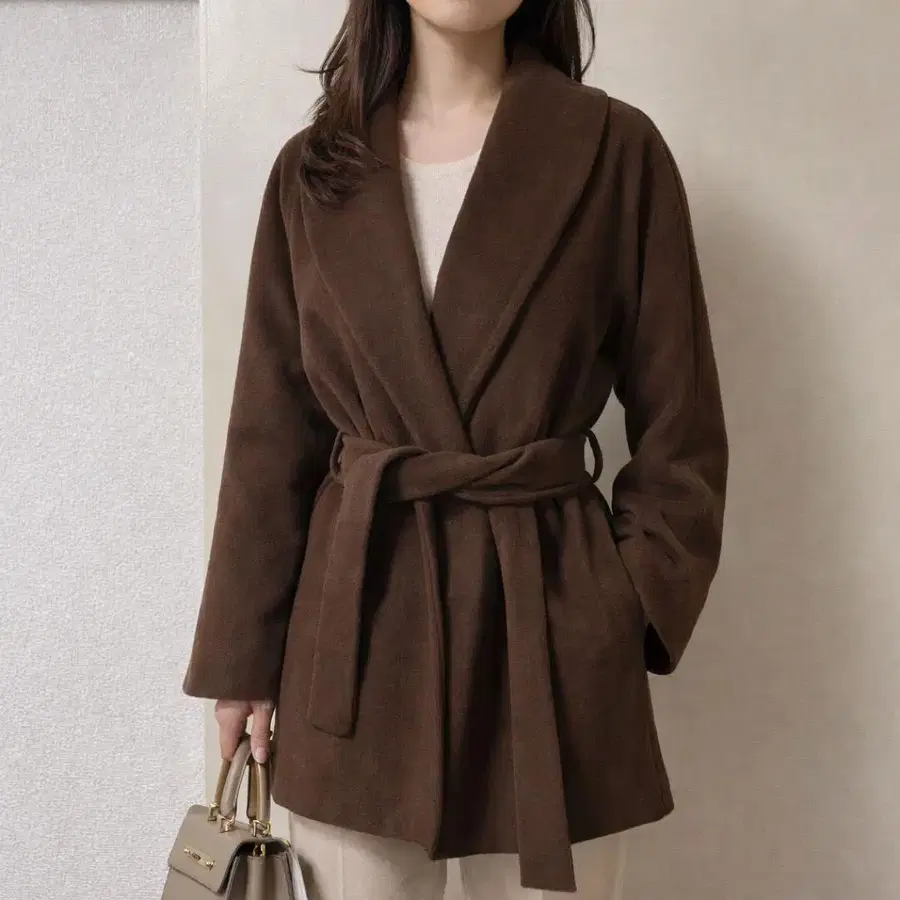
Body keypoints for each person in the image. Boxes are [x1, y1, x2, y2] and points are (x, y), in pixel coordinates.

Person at [181, 1, 729, 897]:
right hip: (356, 644)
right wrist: (243, 661)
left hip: (549, 629)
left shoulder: (616, 151)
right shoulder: (314, 171)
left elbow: (684, 427)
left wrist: (620, 608)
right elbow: (270, 437)